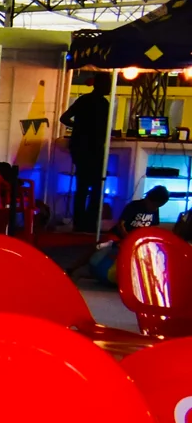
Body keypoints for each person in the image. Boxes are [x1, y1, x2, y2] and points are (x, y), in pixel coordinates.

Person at [87, 184, 172, 283]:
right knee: (98, 247)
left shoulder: (155, 210)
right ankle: (76, 267)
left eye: (158, 206)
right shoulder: (134, 206)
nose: (155, 208)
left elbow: (153, 227)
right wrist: (127, 238)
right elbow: (121, 224)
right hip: (120, 235)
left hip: (136, 240)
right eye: (154, 205)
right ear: (148, 199)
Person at [59, 75, 112, 234]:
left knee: (82, 187)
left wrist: (78, 126)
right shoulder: (104, 104)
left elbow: (64, 118)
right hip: (94, 149)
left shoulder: (83, 100)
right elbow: (105, 128)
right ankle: (90, 222)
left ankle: (79, 222)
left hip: (80, 147)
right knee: (96, 188)